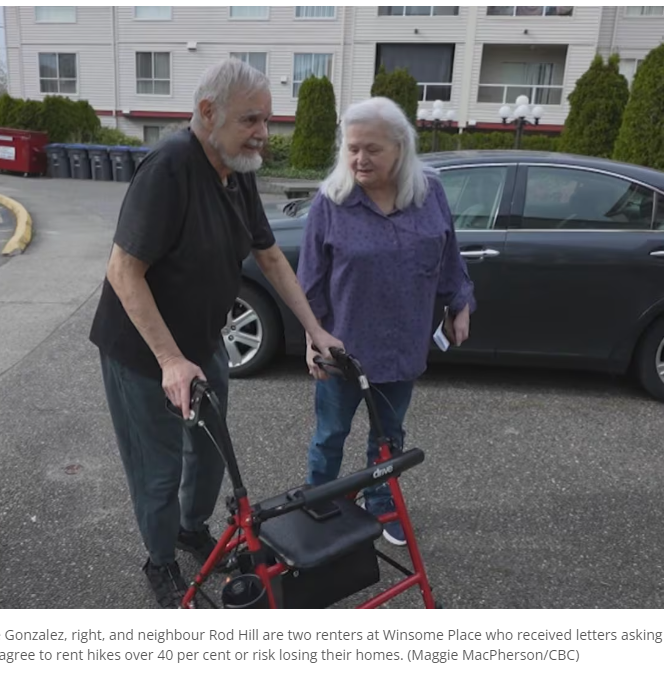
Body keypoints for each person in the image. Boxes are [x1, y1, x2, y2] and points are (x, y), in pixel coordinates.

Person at [89, 58, 342, 608]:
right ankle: (159, 560)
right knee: (158, 469)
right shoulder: (170, 168)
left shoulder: (237, 170)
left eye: (267, 120)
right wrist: (170, 361)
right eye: (252, 119)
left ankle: (190, 528)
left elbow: (269, 255)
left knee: (207, 455)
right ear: (208, 113)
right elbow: (122, 270)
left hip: (204, 342)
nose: (263, 133)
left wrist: (314, 329)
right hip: (143, 352)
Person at [297, 97, 475, 546]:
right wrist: (310, 338)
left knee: (388, 436)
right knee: (330, 434)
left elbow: (448, 256)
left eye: (372, 149)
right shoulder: (331, 202)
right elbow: (309, 281)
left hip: (402, 346)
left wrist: (460, 303)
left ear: (400, 147)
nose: (360, 158)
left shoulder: (429, 194)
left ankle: (381, 505)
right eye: (353, 148)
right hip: (343, 349)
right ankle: (320, 505)